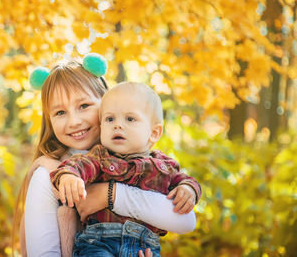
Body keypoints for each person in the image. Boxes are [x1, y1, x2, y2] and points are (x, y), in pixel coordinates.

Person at [13, 54, 198, 257]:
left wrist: (109, 194)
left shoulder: (142, 156)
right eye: (60, 113)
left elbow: (186, 221)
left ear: (106, 102)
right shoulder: (49, 174)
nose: (74, 121)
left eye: (84, 106)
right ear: (49, 119)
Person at [50, 82, 201, 256]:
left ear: (154, 133)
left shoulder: (164, 166)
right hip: (99, 241)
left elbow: (185, 181)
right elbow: (78, 165)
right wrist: (69, 176)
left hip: (144, 246)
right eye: (109, 119)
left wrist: (188, 189)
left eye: (130, 119)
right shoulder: (100, 156)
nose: (117, 125)